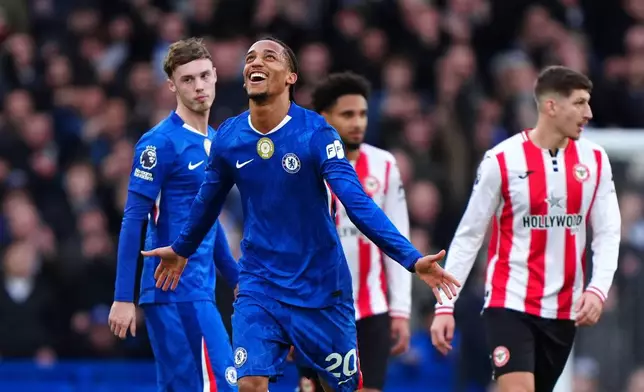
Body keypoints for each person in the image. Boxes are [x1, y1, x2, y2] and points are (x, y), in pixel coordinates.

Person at [141, 37, 461, 392]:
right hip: (259, 285)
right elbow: (206, 202)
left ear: (291, 77)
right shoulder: (230, 136)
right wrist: (182, 248)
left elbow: (357, 202)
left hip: (321, 290)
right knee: (249, 383)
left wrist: (412, 260)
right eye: (250, 58)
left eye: (269, 57)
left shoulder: (316, 133)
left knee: (336, 387)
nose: (255, 63)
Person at [430, 65, 621, 392]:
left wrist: (597, 287)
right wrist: (445, 305)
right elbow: (469, 235)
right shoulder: (501, 160)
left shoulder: (595, 159)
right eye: (579, 103)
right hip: (510, 301)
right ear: (551, 106)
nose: (588, 113)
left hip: (564, 309)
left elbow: (608, 231)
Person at [108, 38, 240, 391]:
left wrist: (239, 280)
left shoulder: (217, 140)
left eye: (203, 76)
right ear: (172, 85)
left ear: (215, 76)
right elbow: (133, 219)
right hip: (173, 292)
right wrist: (124, 296)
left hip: (200, 290)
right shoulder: (159, 143)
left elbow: (207, 224)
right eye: (187, 79)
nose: (198, 86)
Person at [293, 71, 412, 392]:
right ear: (324, 118)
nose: (358, 122)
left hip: (371, 310)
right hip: (316, 310)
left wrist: (400, 310)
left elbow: (397, 239)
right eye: (347, 114)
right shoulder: (302, 167)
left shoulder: (384, 165)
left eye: (362, 113)